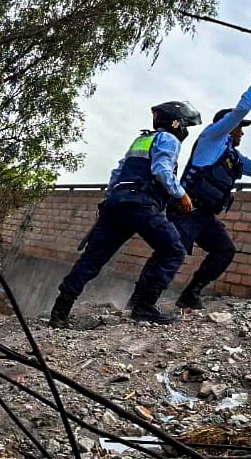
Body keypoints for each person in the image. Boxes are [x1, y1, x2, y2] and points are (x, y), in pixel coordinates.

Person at [50, 101, 202, 328]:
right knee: (172, 249)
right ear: (176, 123)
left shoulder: (142, 139)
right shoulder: (168, 139)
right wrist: (181, 195)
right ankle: (143, 306)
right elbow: (161, 171)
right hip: (141, 204)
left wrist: (113, 199)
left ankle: (59, 313)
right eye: (185, 124)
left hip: (117, 202)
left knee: (92, 260)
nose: (186, 130)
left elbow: (117, 173)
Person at [172, 65, 251, 310]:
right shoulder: (211, 138)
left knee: (224, 250)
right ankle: (139, 302)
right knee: (171, 254)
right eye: (239, 126)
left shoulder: (233, 156)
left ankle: (190, 294)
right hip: (187, 209)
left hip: (205, 216)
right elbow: (241, 108)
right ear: (226, 125)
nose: (241, 132)